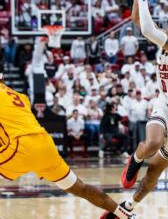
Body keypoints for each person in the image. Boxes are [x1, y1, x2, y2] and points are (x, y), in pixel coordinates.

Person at [101, 0, 168, 217]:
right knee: (153, 144)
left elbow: (146, 28)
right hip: (165, 105)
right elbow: (138, 20)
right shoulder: (164, 42)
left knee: (154, 173)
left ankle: (127, 208)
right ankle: (135, 157)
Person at [0, 80, 134, 219]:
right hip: (45, 144)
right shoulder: (19, 96)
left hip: (21, 145)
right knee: (81, 188)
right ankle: (124, 215)